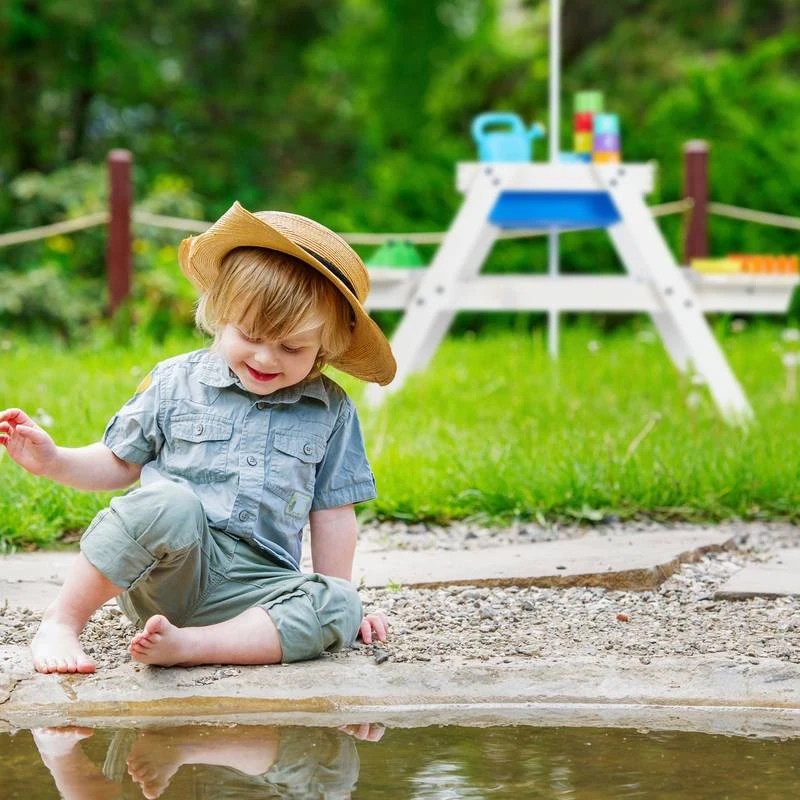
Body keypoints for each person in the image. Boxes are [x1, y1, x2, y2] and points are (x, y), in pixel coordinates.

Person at [0, 201, 395, 674]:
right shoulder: (175, 382)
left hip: (258, 587)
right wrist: (53, 460)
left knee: (341, 603)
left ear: (323, 349)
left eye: (291, 347)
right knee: (171, 502)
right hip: (169, 572)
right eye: (250, 335)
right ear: (220, 314)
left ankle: (192, 646)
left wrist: (338, 592)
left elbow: (332, 513)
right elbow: (119, 462)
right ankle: (62, 621)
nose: (267, 358)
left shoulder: (330, 410)